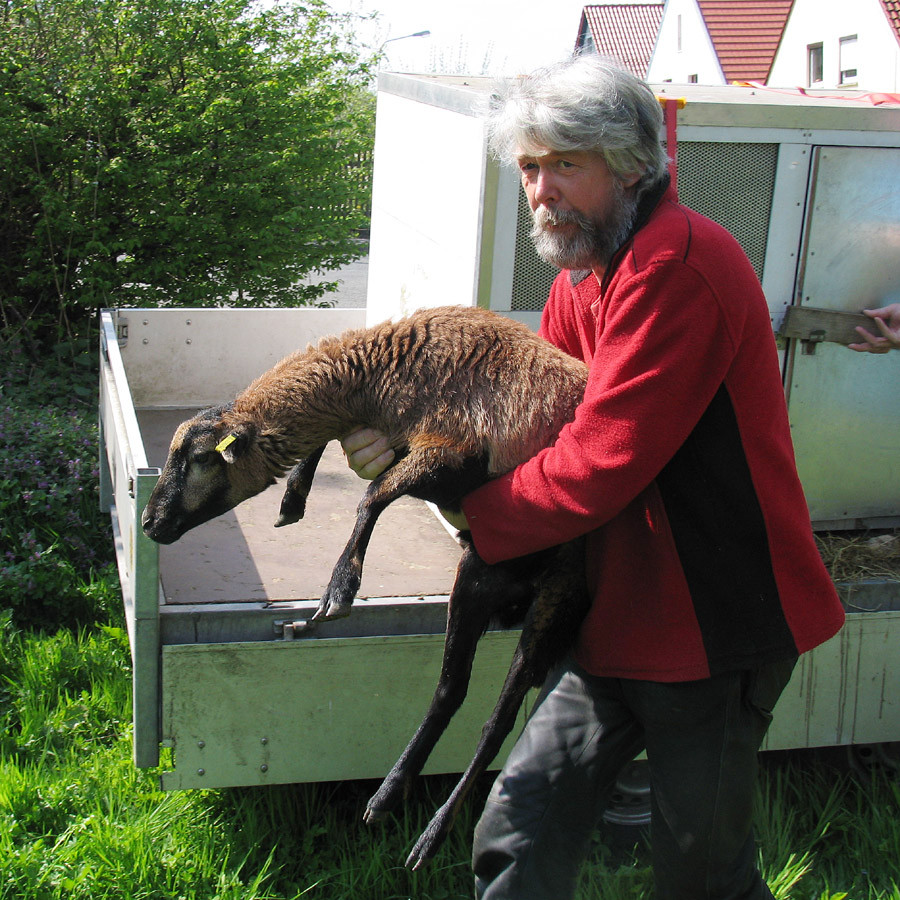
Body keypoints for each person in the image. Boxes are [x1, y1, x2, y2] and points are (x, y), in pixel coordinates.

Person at [344, 56, 845, 900]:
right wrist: (410, 459)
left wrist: (473, 512)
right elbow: (533, 430)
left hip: (714, 627)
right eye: (531, 167)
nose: (541, 191)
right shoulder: (585, 278)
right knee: (519, 829)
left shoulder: (676, 270)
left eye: (566, 165)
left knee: (701, 877)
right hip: (614, 615)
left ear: (632, 166)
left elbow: (598, 465)